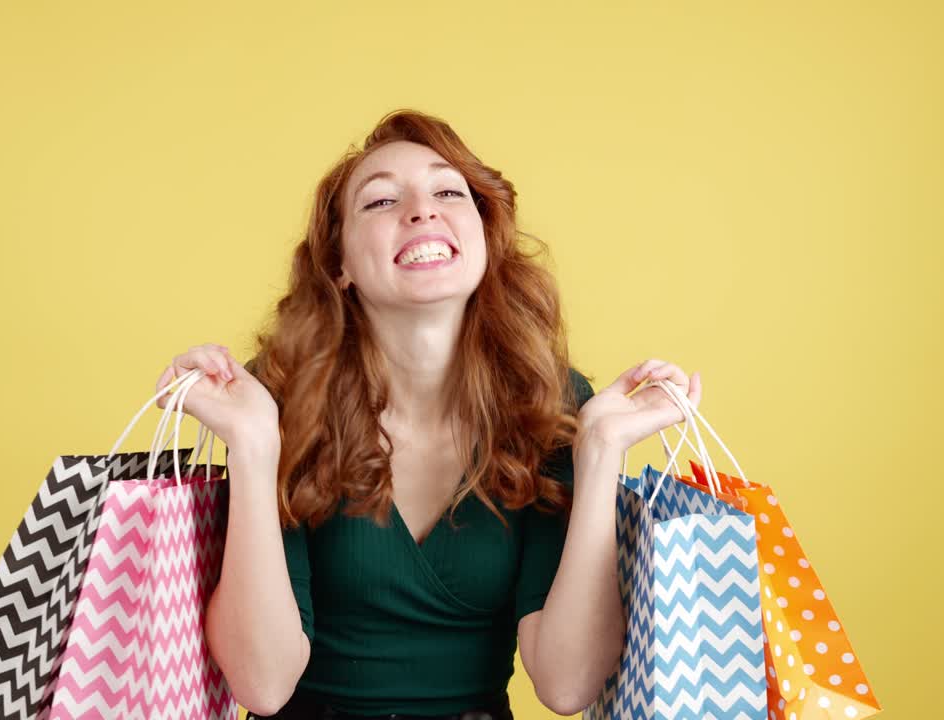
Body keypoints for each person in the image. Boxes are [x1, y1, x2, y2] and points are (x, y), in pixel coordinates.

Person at [153, 109, 702, 720]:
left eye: (447, 190)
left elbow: (567, 685)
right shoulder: (275, 400)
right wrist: (253, 447)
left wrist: (599, 451)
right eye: (381, 201)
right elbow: (263, 685)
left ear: (484, 236)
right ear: (340, 266)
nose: (421, 210)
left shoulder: (551, 404)